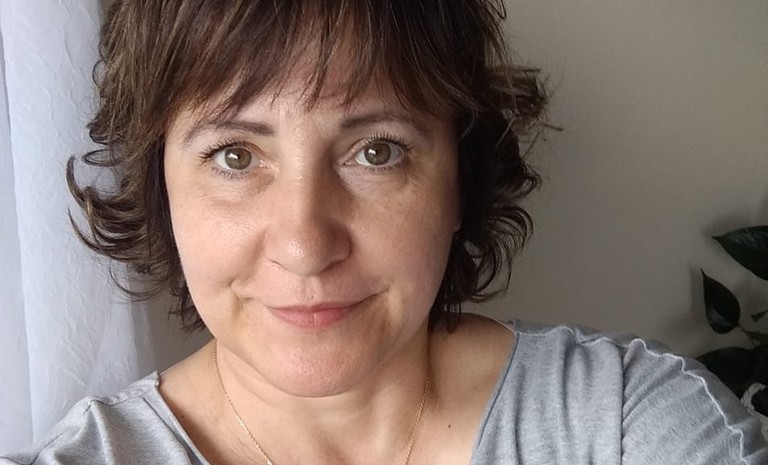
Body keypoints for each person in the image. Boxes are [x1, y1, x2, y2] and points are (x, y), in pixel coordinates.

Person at [3, 0, 767, 464]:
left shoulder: (625, 425)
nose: (305, 244)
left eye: (377, 151)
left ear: (460, 176)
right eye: (235, 155)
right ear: (161, 187)